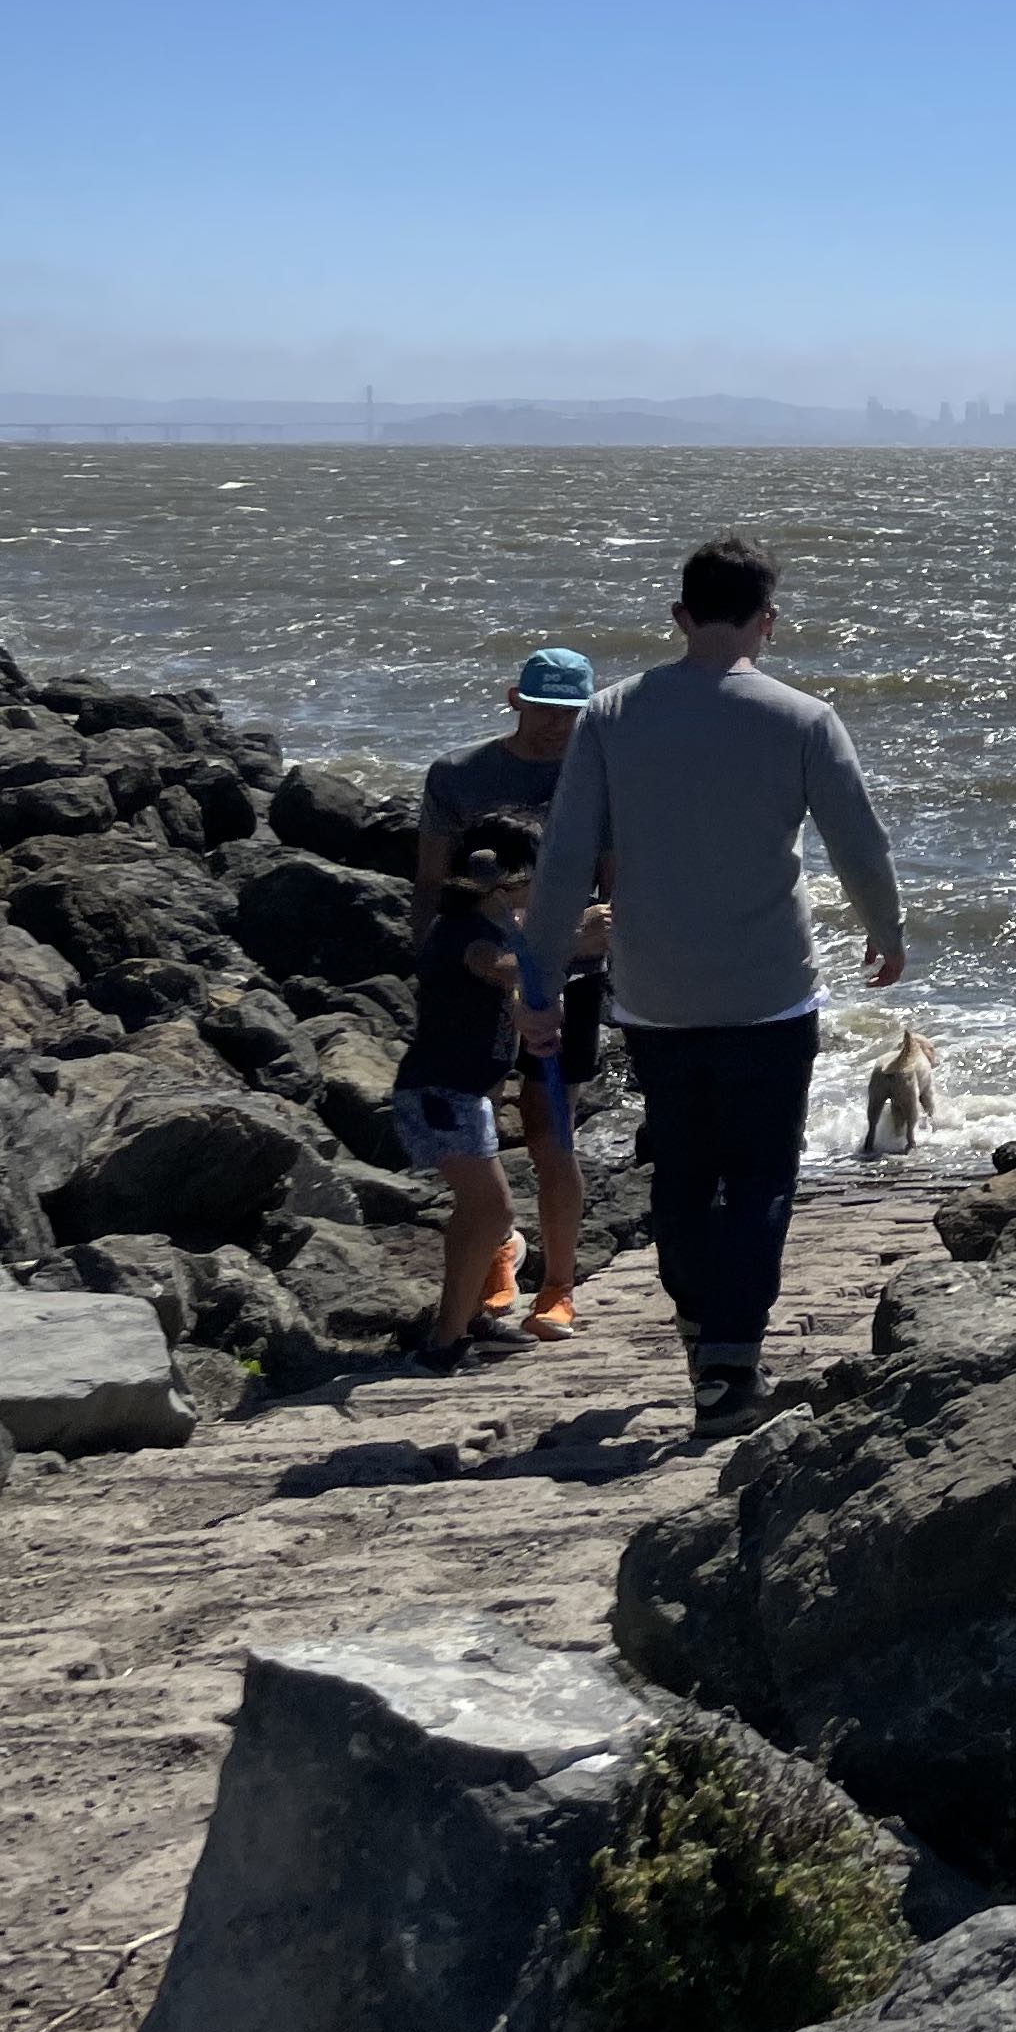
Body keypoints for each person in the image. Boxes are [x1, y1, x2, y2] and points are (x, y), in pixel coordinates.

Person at [520, 536, 906, 1438]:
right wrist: (886, 935)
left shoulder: (611, 716)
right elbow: (861, 843)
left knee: (684, 1175)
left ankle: (703, 1331)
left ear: (679, 617)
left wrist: (537, 982)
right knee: (764, 1175)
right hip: (770, 989)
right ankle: (731, 1356)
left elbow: (564, 861)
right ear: (767, 622)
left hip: (656, 994)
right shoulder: (804, 719)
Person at [416, 646, 610, 1340]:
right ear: (513, 699)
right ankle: (498, 1252)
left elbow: (612, 889)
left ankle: (558, 1287)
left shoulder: (600, 775)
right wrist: (429, 969)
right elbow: (434, 885)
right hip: (475, 979)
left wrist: (608, 947)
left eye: (571, 713)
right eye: (544, 709)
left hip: (571, 978)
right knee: (475, 1128)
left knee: (550, 1129)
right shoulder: (461, 776)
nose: (556, 726)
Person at [398, 827, 542, 1371]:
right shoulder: (464, 932)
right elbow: (497, 967)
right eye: (533, 873)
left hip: (464, 1093)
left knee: (485, 1213)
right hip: (440, 1093)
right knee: (489, 1209)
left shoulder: (490, 926)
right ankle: (446, 1339)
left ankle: (468, 1317)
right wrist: (571, 943)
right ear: (500, 885)